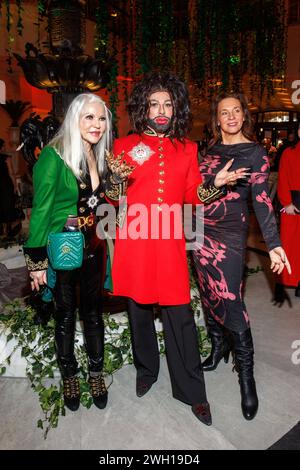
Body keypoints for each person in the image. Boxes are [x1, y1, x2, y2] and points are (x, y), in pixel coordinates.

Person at [110, 72, 247, 426]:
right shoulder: (125, 146)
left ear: (176, 110)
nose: (160, 110)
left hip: (169, 243)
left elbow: (191, 198)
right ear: (144, 107)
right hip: (136, 239)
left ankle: (192, 391)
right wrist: (114, 182)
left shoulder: (187, 149)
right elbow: (113, 199)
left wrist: (213, 185)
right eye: (154, 103)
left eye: (167, 104)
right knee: (138, 310)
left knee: (180, 316)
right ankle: (146, 370)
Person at [23, 93, 126, 412]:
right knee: (65, 315)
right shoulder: (54, 156)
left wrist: (119, 187)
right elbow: (40, 210)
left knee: (93, 312)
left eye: (101, 118)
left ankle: (96, 373)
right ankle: (70, 375)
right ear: (74, 119)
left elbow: (106, 203)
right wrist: (37, 261)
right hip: (64, 245)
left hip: (94, 243)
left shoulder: (100, 154)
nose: (96, 124)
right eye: (89, 117)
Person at [192, 92, 291, 421]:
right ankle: (218, 346)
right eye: (224, 112)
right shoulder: (209, 150)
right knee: (209, 295)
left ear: (243, 116)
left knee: (231, 299)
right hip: (200, 234)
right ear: (217, 119)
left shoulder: (254, 152)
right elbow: (196, 191)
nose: (231, 116)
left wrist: (274, 242)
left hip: (230, 237)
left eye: (236, 110)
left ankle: (246, 379)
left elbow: (262, 202)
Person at [276, 131, 300, 299]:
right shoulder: (288, 152)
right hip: (292, 204)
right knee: (288, 245)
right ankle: (282, 283)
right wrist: (286, 203)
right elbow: (282, 178)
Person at [0, 138, 21, 238]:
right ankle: (7, 230)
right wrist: (15, 186)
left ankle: (3, 230)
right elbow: (11, 173)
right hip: (5, 185)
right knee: (7, 205)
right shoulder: (7, 158)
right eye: (3, 146)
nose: (5, 147)